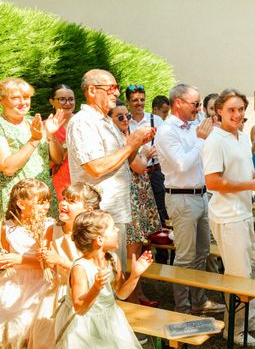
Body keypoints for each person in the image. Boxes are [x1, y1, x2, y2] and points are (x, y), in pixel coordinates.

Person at [55, 210, 152, 349]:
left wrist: (135, 275)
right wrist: (96, 287)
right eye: (112, 228)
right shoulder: (80, 268)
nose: (117, 230)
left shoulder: (112, 258)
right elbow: (79, 307)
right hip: (84, 328)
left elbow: (121, 293)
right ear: (99, 239)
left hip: (108, 322)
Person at [204, 88, 255, 347]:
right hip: (227, 216)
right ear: (218, 111)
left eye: (241, 109)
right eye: (231, 109)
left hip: (243, 212)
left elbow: (242, 172)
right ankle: (233, 329)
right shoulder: (214, 141)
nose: (237, 114)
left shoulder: (243, 137)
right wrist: (247, 185)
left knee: (252, 265)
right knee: (238, 273)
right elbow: (213, 181)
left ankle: (249, 320)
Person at [66, 69, 154, 267]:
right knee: (100, 277)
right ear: (91, 90)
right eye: (112, 88)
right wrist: (131, 145)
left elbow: (124, 158)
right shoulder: (82, 122)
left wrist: (137, 142)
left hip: (115, 214)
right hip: (98, 216)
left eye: (117, 88)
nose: (116, 92)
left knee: (116, 275)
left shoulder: (107, 121)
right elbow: (96, 167)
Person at [155, 83, 224, 315]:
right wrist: (201, 140)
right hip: (181, 199)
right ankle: (182, 308)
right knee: (185, 257)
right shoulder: (166, 131)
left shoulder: (195, 125)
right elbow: (183, 164)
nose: (199, 109)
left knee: (203, 253)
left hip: (202, 195)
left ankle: (199, 301)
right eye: (195, 104)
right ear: (178, 103)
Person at [25, 182, 101, 349]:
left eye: (72, 201)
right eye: (64, 199)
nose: (63, 204)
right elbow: (50, 269)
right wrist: (47, 261)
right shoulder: (53, 230)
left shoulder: (90, 236)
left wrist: (59, 260)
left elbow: (91, 272)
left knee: (75, 345)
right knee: (45, 342)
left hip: (80, 296)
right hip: (54, 295)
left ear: (88, 209)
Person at [109, 101, 161, 307]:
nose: (125, 120)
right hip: (129, 201)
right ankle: (131, 297)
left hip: (139, 197)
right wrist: (143, 152)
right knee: (132, 251)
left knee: (138, 248)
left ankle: (138, 292)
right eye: (119, 117)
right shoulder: (122, 142)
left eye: (126, 116)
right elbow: (139, 167)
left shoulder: (127, 139)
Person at [0, 179, 55, 344]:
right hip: (15, 280)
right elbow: (5, 252)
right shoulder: (7, 227)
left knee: (28, 315)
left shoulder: (49, 226)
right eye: (40, 202)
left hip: (41, 280)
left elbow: (48, 261)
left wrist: (20, 259)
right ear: (21, 204)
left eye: (48, 202)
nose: (46, 207)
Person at [0, 78, 64, 217]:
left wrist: (51, 135)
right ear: (2, 100)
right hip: (20, 202)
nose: (23, 102)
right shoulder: (1, 126)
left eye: (27, 97)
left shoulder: (34, 123)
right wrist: (34, 140)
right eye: (16, 98)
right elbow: (7, 168)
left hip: (44, 199)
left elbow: (58, 160)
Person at [126, 85, 168, 231]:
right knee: (139, 214)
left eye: (142, 99)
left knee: (161, 212)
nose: (139, 103)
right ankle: (144, 251)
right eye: (135, 100)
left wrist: (158, 150)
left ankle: (163, 252)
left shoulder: (156, 120)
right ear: (128, 102)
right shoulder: (125, 122)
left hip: (154, 172)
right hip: (134, 174)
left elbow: (166, 145)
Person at [49, 84, 76, 203]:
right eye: (62, 99)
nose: (68, 103)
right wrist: (67, 143)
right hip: (58, 182)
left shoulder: (83, 122)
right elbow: (46, 163)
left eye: (71, 99)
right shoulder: (45, 126)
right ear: (52, 101)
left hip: (82, 179)